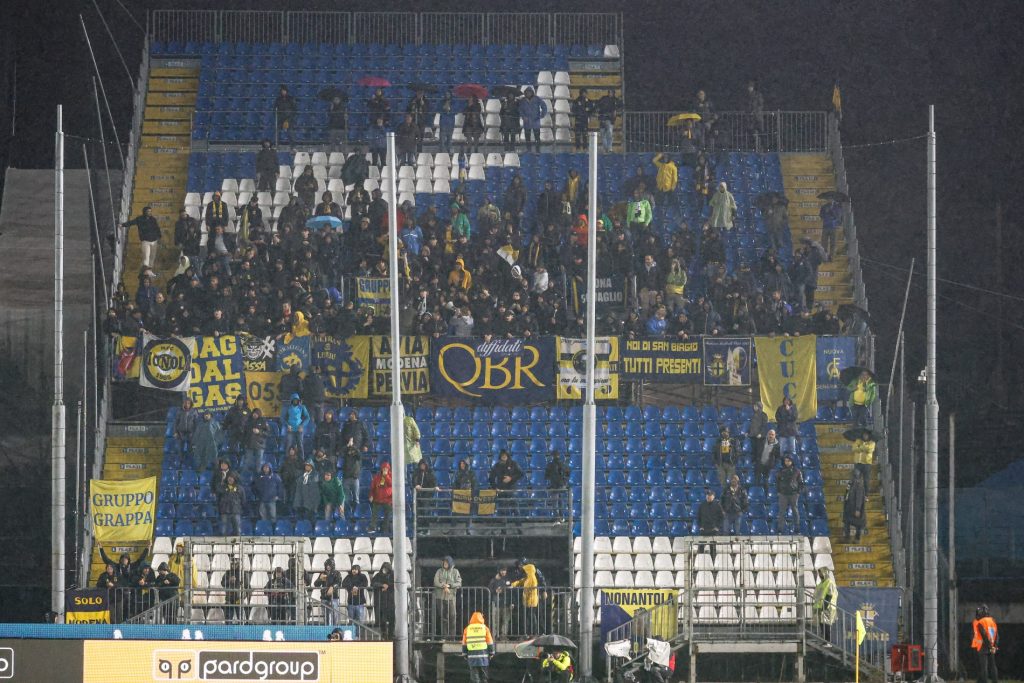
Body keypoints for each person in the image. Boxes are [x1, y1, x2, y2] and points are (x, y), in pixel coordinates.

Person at [462, 612, 495, 683]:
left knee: (474, 677)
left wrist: (464, 653)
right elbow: (490, 642)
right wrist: (492, 653)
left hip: (472, 656)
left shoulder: (467, 629)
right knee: (484, 677)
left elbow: (464, 643)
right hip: (483, 656)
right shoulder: (485, 628)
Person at [434, 556, 462, 637]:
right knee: (443, 618)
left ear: (450, 563)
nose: (445, 563)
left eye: (446, 562)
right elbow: (436, 582)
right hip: (440, 597)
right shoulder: (439, 571)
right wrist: (444, 586)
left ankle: (452, 636)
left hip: (451, 598)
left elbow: (459, 583)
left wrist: (449, 585)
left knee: (452, 617)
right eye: (444, 562)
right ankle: (444, 636)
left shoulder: (455, 572)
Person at [511, 561, 540, 635]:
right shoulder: (529, 577)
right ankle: (530, 633)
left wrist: (526, 600)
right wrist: (513, 584)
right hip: (529, 601)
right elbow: (521, 581)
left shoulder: (531, 578)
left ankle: (533, 633)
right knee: (529, 617)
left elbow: (528, 590)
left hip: (530, 601)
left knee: (531, 617)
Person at [776, 454, 804, 532]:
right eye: (786, 461)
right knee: (782, 512)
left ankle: (797, 527)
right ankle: (780, 529)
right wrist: (779, 491)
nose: (787, 462)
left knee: (795, 511)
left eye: (788, 461)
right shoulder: (780, 471)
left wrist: (798, 492)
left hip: (793, 494)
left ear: (792, 461)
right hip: (783, 494)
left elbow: (801, 483)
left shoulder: (797, 471)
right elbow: (777, 482)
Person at [972, 605, 999, 683]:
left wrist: (989, 646)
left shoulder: (981, 622)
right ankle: (995, 681)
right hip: (992, 646)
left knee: (984, 667)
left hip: (984, 646)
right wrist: (994, 646)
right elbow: (997, 635)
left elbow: (984, 635)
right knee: (993, 666)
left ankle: (984, 681)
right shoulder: (992, 621)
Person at [314, 558, 344, 625]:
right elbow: (316, 584)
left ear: (332, 565)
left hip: (334, 597)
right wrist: (320, 579)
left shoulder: (337, 573)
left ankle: (335, 628)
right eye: (327, 565)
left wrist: (332, 587)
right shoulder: (322, 573)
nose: (328, 566)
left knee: (334, 615)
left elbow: (338, 583)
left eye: (329, 565)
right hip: (324, 598)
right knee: (326, 616)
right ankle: (327, 628)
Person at [281, 393, 311, 460]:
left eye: (296, 400)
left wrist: (302, 425)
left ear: (298, 400)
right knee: (289, 445)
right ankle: (287, 460)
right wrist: (287, 425)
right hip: (290, 429)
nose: (295, 401)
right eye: (294, 400)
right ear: (291, 400)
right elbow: (282, 418)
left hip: (299, 429)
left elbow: (307, 417)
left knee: (300, 445)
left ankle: (301, 460)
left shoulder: (302, 407)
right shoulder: (287, 407)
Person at [696, 488, 724, 559]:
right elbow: (698, 517)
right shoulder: (702, 505)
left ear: (713, 496)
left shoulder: (717, 505)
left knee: (713, 548)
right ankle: (700, 562)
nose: (708, 496)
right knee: (701, 547)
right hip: (704, 529)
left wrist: (717, 527)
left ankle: (713, 562)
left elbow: (722, 517)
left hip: (713, 530)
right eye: (707, 495)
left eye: (710, 495)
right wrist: (700, 526)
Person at [518, 88, 548, 153]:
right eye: (526, 92)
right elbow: (520, 110)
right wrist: (523, 116)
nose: (528, 93)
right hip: (527, 122)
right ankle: (529, 150)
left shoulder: (537, 99)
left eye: (529, 92)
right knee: (527, 138)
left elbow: (544, 106)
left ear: (532, 92)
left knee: (537, 137)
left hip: (535, 121)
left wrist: (542, 115)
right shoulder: (523, 100)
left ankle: (538, 150)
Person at [813, 567, 838, 645]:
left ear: (825, 573)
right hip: (820, 607)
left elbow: (829, 595)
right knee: (822, 625)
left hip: (827, 607)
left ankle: (828, 642)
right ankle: (825, 641)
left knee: (826, 625)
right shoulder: (820, 584)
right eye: (819, 573)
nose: (819, 574)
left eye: (821, 572)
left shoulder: (829, 583)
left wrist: (824, 606)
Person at [371, 562, 396, 638]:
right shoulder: (378, 575)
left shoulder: (393, 575)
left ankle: (391, 634)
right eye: (384, 568)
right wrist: (382, 585)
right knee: (382, 619)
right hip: (381, 600)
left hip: (390, 600)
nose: (384, 570)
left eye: (386, 569)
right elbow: (373, 583)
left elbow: (396, 584)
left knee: (391, 619)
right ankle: (384, 634)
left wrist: (388, 586)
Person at [241, 408, 268, 474]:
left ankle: (259, 476)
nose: (255, 415)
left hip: (260, 445)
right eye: (254, 413)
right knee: (247, 462)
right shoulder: (248, 421)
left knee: (259, 462)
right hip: (249, 444)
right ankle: (246, 476)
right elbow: (244, 433)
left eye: (257, 413)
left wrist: (259, 432)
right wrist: (244, 443)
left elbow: (267, 433)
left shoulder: (263, 421)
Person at [293, 460, 320, 524]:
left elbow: (315, 489)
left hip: (311, 501)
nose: (307, 467)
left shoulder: (316, 475)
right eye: (306, 465)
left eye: (308, 465)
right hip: (302, 501)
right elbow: (298, 490)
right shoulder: (301, 476)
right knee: (301, 520)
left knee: (311, 519)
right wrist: (297, 503)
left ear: (312, 466)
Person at [487, 566, 512, 638]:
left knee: (505, 621)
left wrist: (512, 602)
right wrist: (495, 591)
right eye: (502, 570)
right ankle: (495, 636)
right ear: (499, 571)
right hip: (496, 603)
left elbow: (511, 592)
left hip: (506, 603)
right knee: (495, 621)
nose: (503, 572)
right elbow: (489, 590)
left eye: (505, 570)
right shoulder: (494, 580)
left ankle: (503, 636)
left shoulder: (508, 580)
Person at [843, 469, 867, 542]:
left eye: (852, 476)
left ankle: (857, 538)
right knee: (846, 521)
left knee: (858, 523)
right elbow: (847, 494)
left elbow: (859, 498)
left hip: (855, 508)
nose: (851, 477)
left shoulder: (859, 486)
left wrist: (857, 509)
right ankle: (847, 537)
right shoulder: (850, 484)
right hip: (849, 507)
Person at [369, 463, 393, 534]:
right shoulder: (377, 477)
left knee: (388, 514)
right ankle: (372, 527)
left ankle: (385, 528)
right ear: (381, 469)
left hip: (387, 500)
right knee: (374, 513)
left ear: (388, 469)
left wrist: (386, 476)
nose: (385, 469)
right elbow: (372, 488)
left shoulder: (391, 476)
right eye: (384, 468)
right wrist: (371, 495)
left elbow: (391, 484)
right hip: (377, 499)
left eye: (386, 468)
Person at [340, 446, 362, 522]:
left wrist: (354, 447)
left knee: (356, 499)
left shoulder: (357, 457)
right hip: (346, 479)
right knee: (346, 499)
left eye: (352, 450)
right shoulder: (345, 456)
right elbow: (342, 452)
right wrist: (348, 446)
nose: (351, 451)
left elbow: (359, 455)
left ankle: (355, 515)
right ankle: (348, 515)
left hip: (355, 479)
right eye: (350, 450)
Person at [852, 430, 876, 496]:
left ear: (869, 435)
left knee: (866, 480)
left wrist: (860, 447)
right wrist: (863, 448)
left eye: (866, 435)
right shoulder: (858, 441)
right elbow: (854, 449)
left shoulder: (872, 443)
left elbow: (869, 450)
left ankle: (866, 495)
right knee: (856, 480)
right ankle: (856, 494)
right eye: (864, 434)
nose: (865, 436)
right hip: (858, 463)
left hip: (867, 464)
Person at [713, 426, 736, 490]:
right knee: (723, 481)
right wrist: (716, 462)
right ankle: (725, 493)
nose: (725, 433)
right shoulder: (718, 441)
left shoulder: (733, 441)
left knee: (732, 481)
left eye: (726, 432)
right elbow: (714, 452)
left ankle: (731, 493)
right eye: (723, 432)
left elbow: (738, 451)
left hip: (730, 463)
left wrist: (734, 461)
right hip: (721, 463)